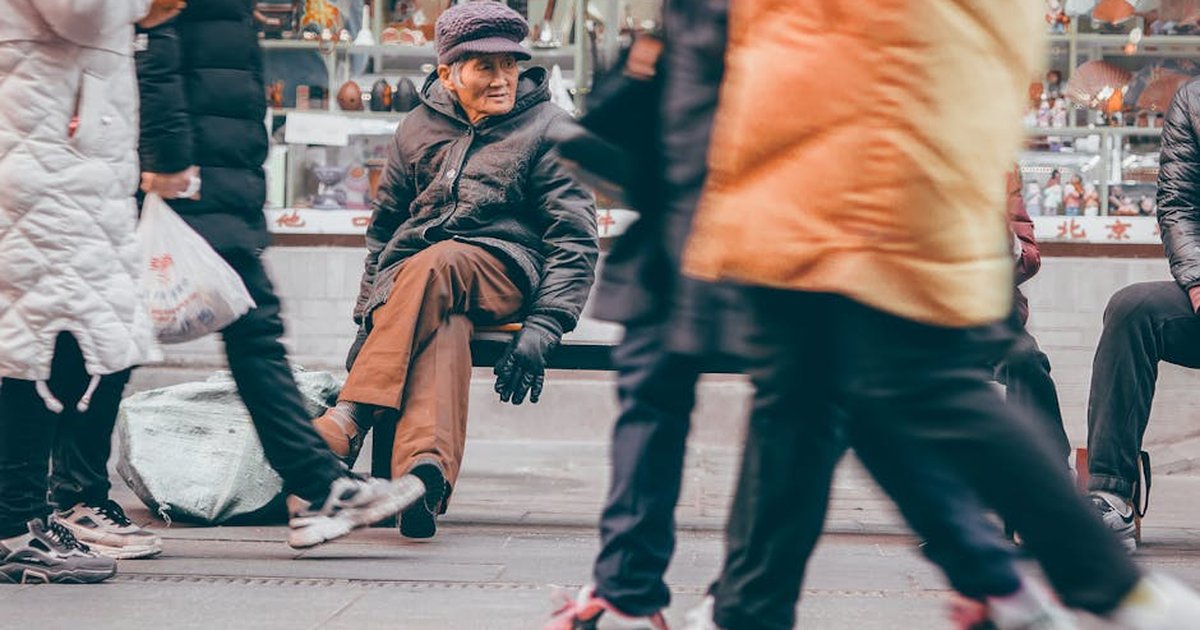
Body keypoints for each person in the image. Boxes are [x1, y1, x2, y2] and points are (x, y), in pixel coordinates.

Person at [680, 1, 1200, 628]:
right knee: (817, 389)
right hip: (817, 157)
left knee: (886, 385)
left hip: (834, 160)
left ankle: (1097, 583)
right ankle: (754, 606)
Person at [545, 2, 1064, 628]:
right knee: (771, 406)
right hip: (709, 230)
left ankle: (988, 575)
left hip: (764, 233)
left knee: (820, 409)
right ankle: (652, 591)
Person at [128, 0, 424, 552]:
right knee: (237, 332)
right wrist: (168, 162)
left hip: (219, 173)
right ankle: (318, 487)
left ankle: (317, 487)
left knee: (213, 334)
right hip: (192, 179)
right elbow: (155, 46)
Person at [310, 1, 598, 541]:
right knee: (444, 324)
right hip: (422, 285)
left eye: (509, 65)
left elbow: (575, 237)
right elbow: (385, 230)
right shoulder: (416, 127)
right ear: (447, 72)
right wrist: (368, 317)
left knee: (440, 261)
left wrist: (547, 324)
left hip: (504, 269)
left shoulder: (550, 127)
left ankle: (351, 414)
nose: (501, 79)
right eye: (484, 67)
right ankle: (425, 474)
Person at [0, 0, 186, 583]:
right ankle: (14, 527)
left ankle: (23, 517)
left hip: (67, 156)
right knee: (35, 339)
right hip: (45, 157)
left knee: (51, 336)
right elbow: (77, 9)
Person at [1084, 75, 1200, 552]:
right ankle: (1112, 494)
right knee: (1133, 310)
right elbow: (1179, 203)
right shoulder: (1192, 98)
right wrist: (1196, 281)